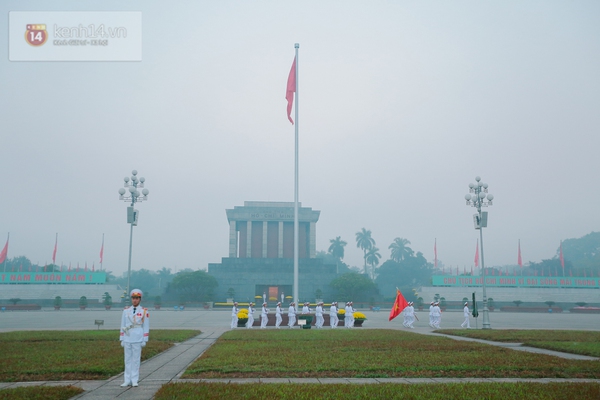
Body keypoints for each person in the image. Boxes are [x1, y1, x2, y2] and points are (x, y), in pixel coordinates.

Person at [120, 288, 149, 388]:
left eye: (137, 298)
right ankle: (127, 380)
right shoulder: (126, 311)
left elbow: (146, 326)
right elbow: (122, 325)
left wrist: (145, 339)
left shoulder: (144, 311)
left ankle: (134, 379)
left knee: (136, 360)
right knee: (127, 360)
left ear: (140, 299)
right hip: (127, 337)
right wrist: (122, 338)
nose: (135, 300)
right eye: (133, 298)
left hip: (137, 337)